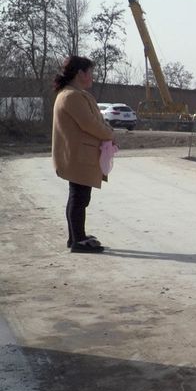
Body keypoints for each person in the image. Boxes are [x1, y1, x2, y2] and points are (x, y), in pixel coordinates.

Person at [51, 55, 115, 253]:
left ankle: (76, 237)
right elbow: (90, 124)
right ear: (80, 73)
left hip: (80, 155)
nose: (92, 77)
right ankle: (78, 240)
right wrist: (110, 134)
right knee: (79, 198)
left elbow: (94, 121)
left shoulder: (74, 94)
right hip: (78, 156)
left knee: (79, 197)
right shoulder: (72, 96)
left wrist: (107, 131)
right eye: (90, 72)